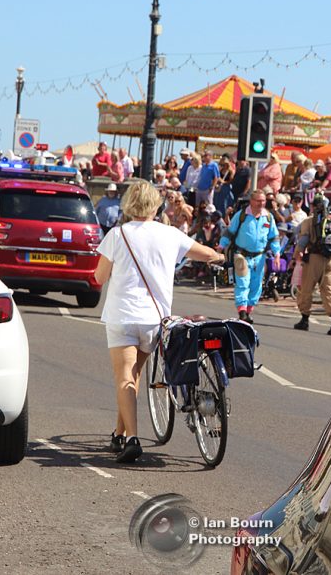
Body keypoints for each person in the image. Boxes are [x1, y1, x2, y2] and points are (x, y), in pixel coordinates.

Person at [93, 180, 223, 463]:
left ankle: (132, 438)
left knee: (125, 377)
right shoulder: (170, 234)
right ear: (156, 205)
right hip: (154, 320)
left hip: (123, 316)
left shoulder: (117, 234)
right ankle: (118, 433)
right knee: (133, 375)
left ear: (128, 204)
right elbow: (205, 254)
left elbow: (99, 277)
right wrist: (220, 256)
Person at [219, 190, 280, 323]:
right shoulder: (241, 215)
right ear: (251, 201)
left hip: (260, 257)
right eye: (258, 201)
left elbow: (274, 237)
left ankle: (248, 311)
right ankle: (242, 311)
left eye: (263, 201)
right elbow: (229, 232)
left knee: (256, 285)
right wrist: (221, 246)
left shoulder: (268, 217)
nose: (261, 203)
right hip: (242, 255)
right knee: (243, 282)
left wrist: (277, 254)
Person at [293, 195, 331, 335]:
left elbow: (303, 240)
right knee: (330, 289)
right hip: (330, 260)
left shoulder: (309, 221)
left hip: (314, 258)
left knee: (306, 288)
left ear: (313, 206)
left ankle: (304, 319)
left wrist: (297, 254)